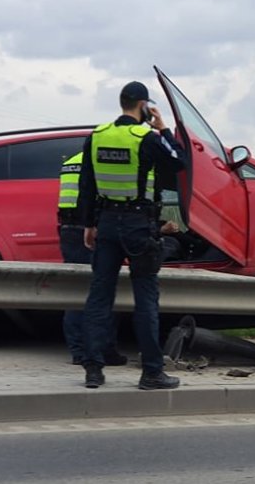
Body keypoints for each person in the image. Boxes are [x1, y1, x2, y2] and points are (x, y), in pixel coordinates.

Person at [77, 80, 186, 390]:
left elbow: (87, 184)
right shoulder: (146, 137)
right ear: (143, 106)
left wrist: (89, 224)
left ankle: (93, 371)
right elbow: (179, 161)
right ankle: (152, 372)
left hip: (107, 223)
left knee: (99, 297)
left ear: (121, 103)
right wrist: (163, 128)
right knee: (146, 299)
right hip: (138, 224)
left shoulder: (97, 136)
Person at [56, 152, 127, 367]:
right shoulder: (101, 160)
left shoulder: (70, 162)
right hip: (92, 229)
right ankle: (102, 350)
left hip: (68, 228)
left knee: (76, 291)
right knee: (101, 291)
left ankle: (78, 350)